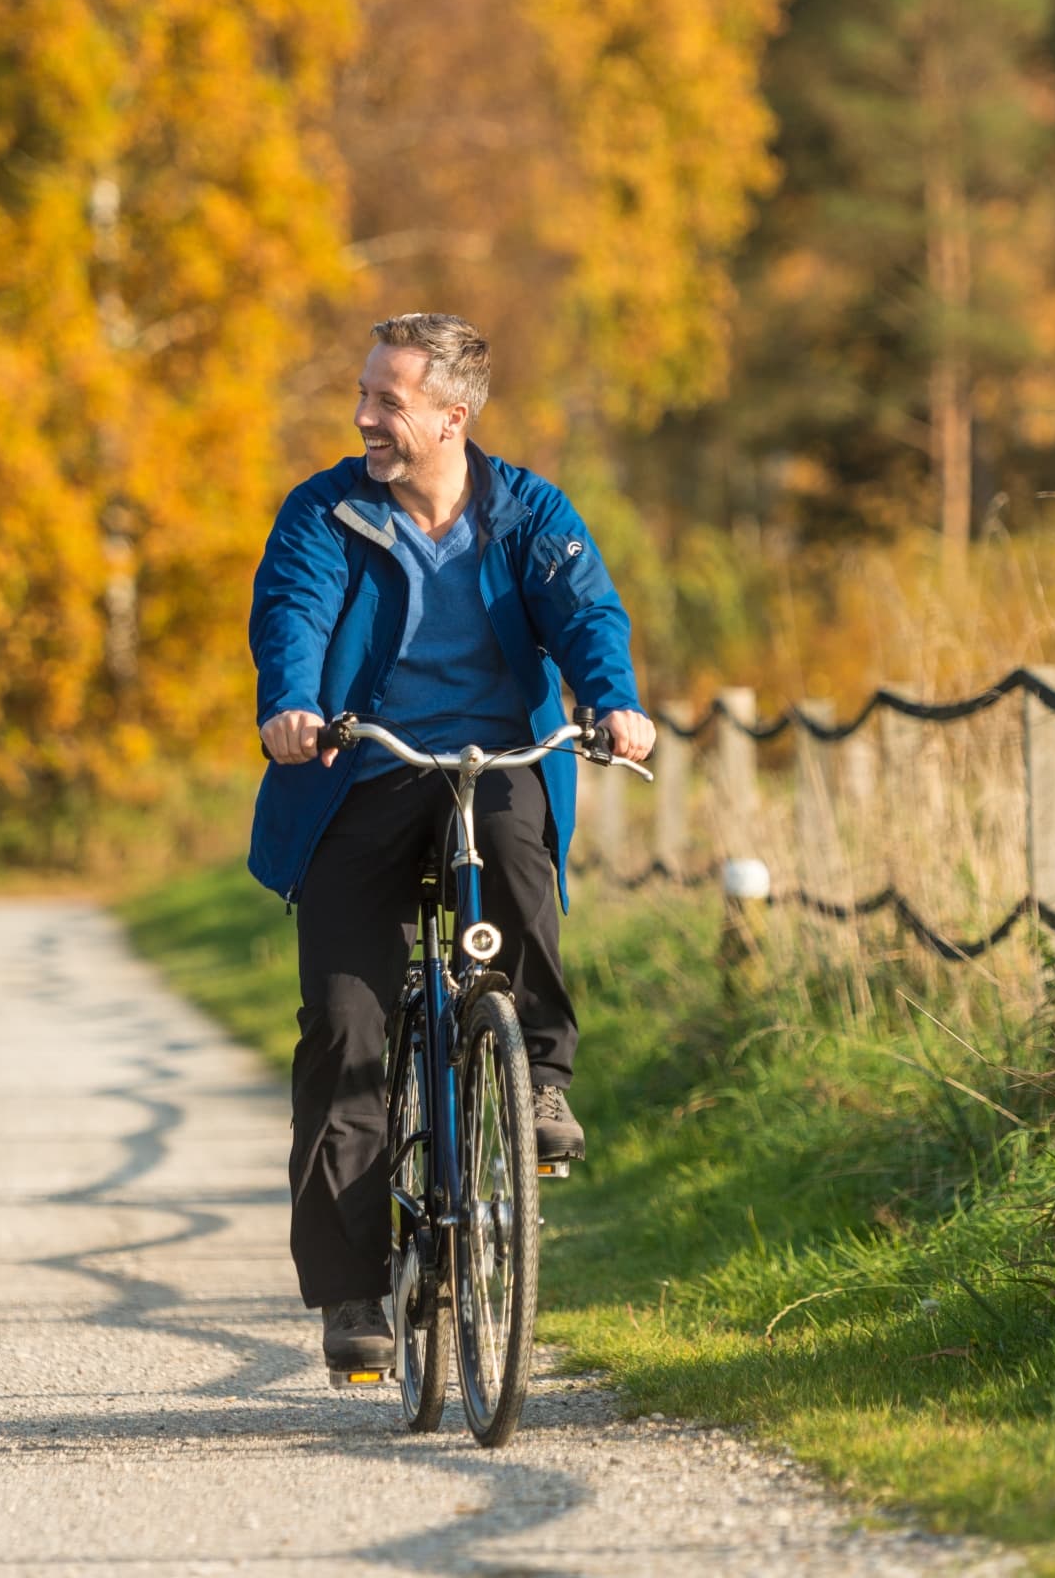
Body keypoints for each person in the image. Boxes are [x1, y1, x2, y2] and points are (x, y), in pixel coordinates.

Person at [248, 312, 655, 1378]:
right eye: (365, 394)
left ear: (451, 417)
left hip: (493, 761)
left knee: (518, 844)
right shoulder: (326, 513)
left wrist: (612, 700)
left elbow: (587, 614)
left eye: (388, 400)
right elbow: (292, 614)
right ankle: (350, 1290)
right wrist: (292, 703)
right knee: (345, 1028)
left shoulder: (529, 509)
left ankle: (537, 1080)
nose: (363, 416)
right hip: (359, 773)